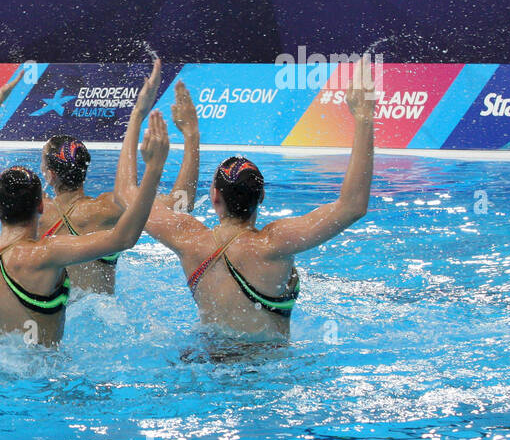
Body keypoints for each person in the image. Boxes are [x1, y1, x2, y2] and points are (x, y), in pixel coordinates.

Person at [117, 56, 377, 342]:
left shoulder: (188, 239)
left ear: (214, 197)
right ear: (262, 196)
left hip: (204, 362)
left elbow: (126, 193)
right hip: (266, 371)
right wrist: (364, 118)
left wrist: (140, 114)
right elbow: (352, 206)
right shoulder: (274, 243)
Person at [0, 95, 171, 346]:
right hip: (59, 360)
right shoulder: (50, 251)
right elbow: (127, 234)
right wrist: (153, 165)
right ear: (39, 204)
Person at [0, 62, 201, 295]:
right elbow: (182, 204)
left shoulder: (30, 207)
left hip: (51, 317)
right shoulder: (109, 208)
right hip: (103, 318)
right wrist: (191, 137)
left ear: (50, 174)